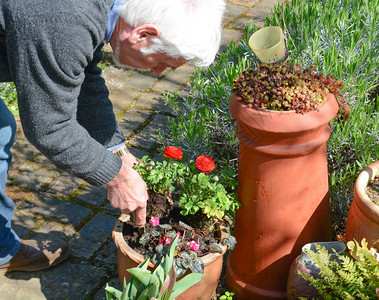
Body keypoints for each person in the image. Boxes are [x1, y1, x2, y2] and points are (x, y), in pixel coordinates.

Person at [0, 0, 225, 275]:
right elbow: (50, 127)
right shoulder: (64, 20)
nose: (156, 72)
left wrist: (116, 150)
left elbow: (83, 76)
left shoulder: (92, 13)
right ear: (143, 34)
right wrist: (116, 177)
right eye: (163, 62)